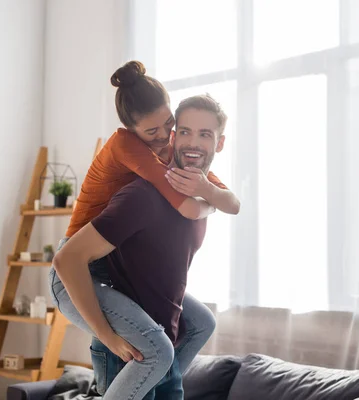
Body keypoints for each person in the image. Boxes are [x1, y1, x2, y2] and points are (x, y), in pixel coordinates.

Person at [50, 93, 229, 399]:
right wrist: (107, 337)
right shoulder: (142, 192)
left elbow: (230, 203)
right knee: (157, 351)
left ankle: (158, 373)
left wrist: (210, 201)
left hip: (137, 310)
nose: (193, 142)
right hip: (84, 281)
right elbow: (68, 261)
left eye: (205, 134)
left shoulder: (200, 193)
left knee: (201, 324)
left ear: (219, 143)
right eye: (185, 132)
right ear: (174, 137)